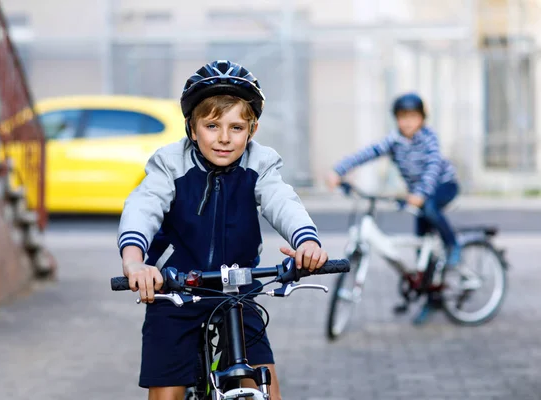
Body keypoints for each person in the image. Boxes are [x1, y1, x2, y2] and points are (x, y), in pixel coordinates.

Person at [118, 60, 328, 400]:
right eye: (212, 125)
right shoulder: (170, 163)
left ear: (253, 130)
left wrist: (307, 242)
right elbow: (143, 206)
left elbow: (282, 201)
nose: (224, 139)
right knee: (166, 393)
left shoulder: (261, 163)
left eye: (236, 128)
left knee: (265, 387)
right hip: (175, 287)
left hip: (238, 288)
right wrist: (134, 262)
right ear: (192, 127)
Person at [325, 92, 460, 325]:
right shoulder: (394, 140)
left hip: (442, 186)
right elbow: (368, 153)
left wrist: (420, 193)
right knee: (422, 250)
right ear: (396, 119)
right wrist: (339, 170)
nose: (407, 122)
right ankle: (430, 297)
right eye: (402, 117)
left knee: (429, 209)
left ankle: (453, 244)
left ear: (422, 119)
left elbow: (433, 167)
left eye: (413, 117)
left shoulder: (429, 139)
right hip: (417, 194)